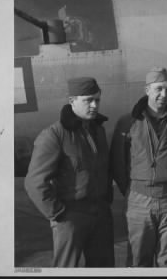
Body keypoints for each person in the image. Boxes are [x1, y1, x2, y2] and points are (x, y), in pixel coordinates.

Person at [24, 77, 114, 267]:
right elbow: (34, 182)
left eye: (97, 100)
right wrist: (57, 213)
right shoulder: (54, 135)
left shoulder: (98, 131)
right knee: (66, 268)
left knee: (103, 268)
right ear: (72, 101)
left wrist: (106, 202)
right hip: (70, 215)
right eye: (88, 100)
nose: (94, 105)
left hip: (100, 213)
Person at [110, 67, 167, 267]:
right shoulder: (127, 122)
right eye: (158, 89)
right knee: (139, 260)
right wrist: (133, 190)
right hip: (139, 201)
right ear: (147, 90)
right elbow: (118, 163)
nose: (164, 95)